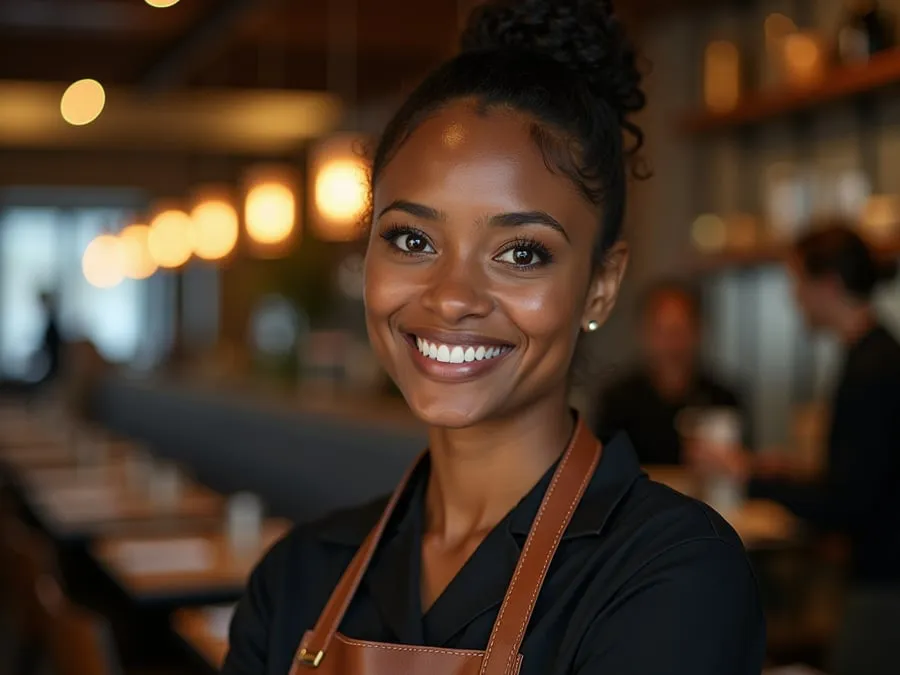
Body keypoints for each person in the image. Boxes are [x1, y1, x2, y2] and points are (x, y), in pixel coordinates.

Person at [223, 2, 765, 674]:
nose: (451, 296)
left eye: (521, 252)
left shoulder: (672, 573)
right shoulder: (297, 578)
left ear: (600, 282)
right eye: (412, 239)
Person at [693, 223, 900, 585]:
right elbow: (863, 475)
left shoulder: (871, 368)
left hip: (884, 576)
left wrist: (748, 476)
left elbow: (847, 504)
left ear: (830, 285)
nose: (794, 297)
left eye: (799, 282)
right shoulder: (874, 354)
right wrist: (791, 473)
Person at [595, 280, 751, 465]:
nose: (673, 344)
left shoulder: (724, 398)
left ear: (699, 331)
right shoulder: (619, 402)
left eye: (680, 330)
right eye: (663, 332)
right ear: (643, 333)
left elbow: (745, 466)